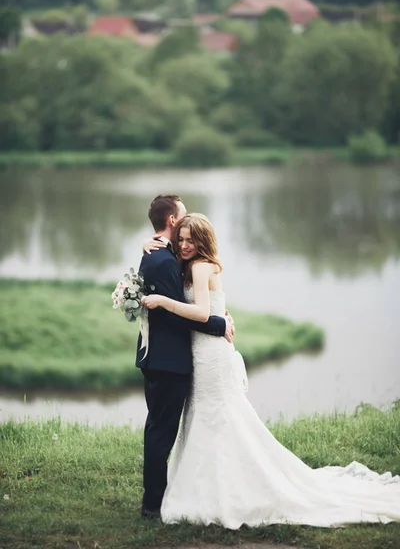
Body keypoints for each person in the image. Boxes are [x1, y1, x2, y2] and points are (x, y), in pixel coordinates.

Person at [141, 212, 400, 529]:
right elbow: (211, 305)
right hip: (200, 352)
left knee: (219, 417)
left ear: (203, 241)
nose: (183, 245)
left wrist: (163, 301)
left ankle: (228, 490)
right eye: (180, 239)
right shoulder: (190, 264)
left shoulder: (200, 266)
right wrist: (149, 244)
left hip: (210, 355)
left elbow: (199, 311)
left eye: (190, 240)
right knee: (203, 417)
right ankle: (208, 484)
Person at [136, 196, 235, 520]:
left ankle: (198, 491)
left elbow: (201, 298)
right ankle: (153, 506)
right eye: (181, 231)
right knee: (163, 431)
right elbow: (175, 316)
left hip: (188, 357)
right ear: (172, 222)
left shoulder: (165, 256)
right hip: (169, 360)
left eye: (191, 239)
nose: (185, 240)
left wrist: (221, 314)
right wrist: (219, 324)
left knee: (191, 424)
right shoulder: (164, 259)